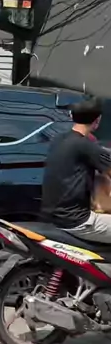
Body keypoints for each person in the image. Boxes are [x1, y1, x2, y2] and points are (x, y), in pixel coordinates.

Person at [41, 97, 111, 243]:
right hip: (76, 220)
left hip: (52, 216)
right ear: (97, 120)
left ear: (72, 116)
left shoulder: (58, 140)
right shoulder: (85, 145)